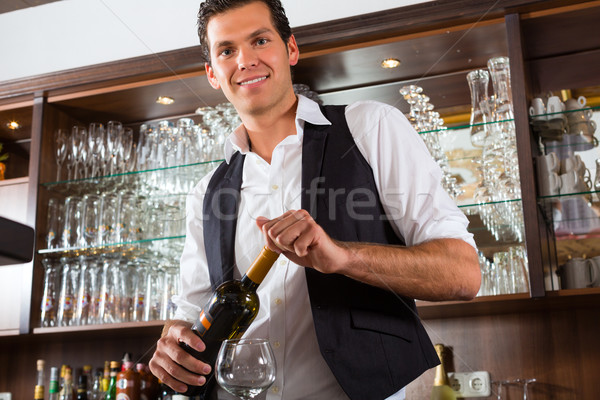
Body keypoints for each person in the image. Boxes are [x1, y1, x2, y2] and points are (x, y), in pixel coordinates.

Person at [148, 0, 481, 399]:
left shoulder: (370, 127)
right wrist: (172, 340)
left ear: (290, 49)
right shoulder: (206, 192)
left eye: (259, 40)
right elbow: (190, 313)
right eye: (227, 50)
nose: (246, 60)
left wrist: (343, 258)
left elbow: (463, 274)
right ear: (212, 74)